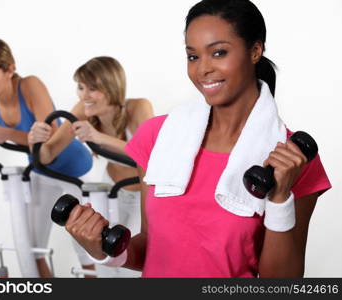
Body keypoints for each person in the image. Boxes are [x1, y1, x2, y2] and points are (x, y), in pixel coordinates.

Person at [63, 0, 332, 278]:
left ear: (255, 51)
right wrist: (104, 249)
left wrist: (278, 199)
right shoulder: (158, 137)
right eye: (193, 56)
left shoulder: (291, 159)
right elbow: (151, 250)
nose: (202, 69)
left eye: (219, 53)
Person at [0, 39, 93, 278]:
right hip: (41, 170)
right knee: (31, 245)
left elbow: (52, 136)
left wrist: (9, 134)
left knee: (85, 242)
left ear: (10, 69)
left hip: (73, 167)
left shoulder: (29, 85)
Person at [28, 56, 154, 277]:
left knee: (132, 263)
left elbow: (150, 155)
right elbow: (47, 155)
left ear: (111, 88)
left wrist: (99, 138)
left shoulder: (138, 107)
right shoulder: (83, 109)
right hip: (111, 187)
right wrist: (35, 141)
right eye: (80, 87)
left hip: (141, 195)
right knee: (98, 252)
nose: (84, 95)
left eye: (92, 89)